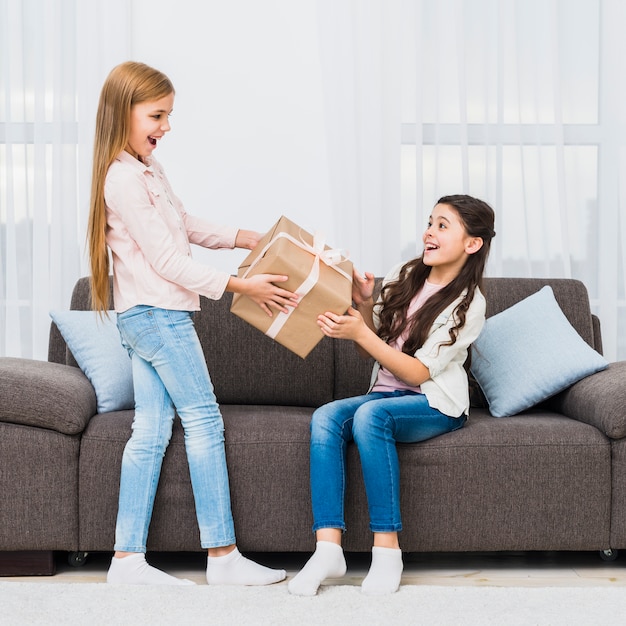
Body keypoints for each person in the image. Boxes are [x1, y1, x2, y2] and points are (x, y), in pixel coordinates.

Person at [87, 61, 298, 586]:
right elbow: (166, 262)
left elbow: (183, 225)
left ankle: (126, 561)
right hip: (159, 316)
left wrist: (244, 237)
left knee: (152, 431)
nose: (166, 127)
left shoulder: (147, 169)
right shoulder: (123, 179)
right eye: (157, 115)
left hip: (144, 316)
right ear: (124, 112)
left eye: (169, 115)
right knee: (204, 422)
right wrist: (240, 287)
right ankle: (223, 556)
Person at [287, 194, 496, 596]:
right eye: (430, 222)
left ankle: (387, 551)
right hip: (385, 394)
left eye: (442, 225)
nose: (429, 232)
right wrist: (364, 304)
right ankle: (327, 547)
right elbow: (374, 342)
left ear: (472, 244)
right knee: (326, 417)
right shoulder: (405, 273)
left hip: (434, 404)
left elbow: (418, 371)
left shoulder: (469, 303)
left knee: (370, 418)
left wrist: (361, 331)